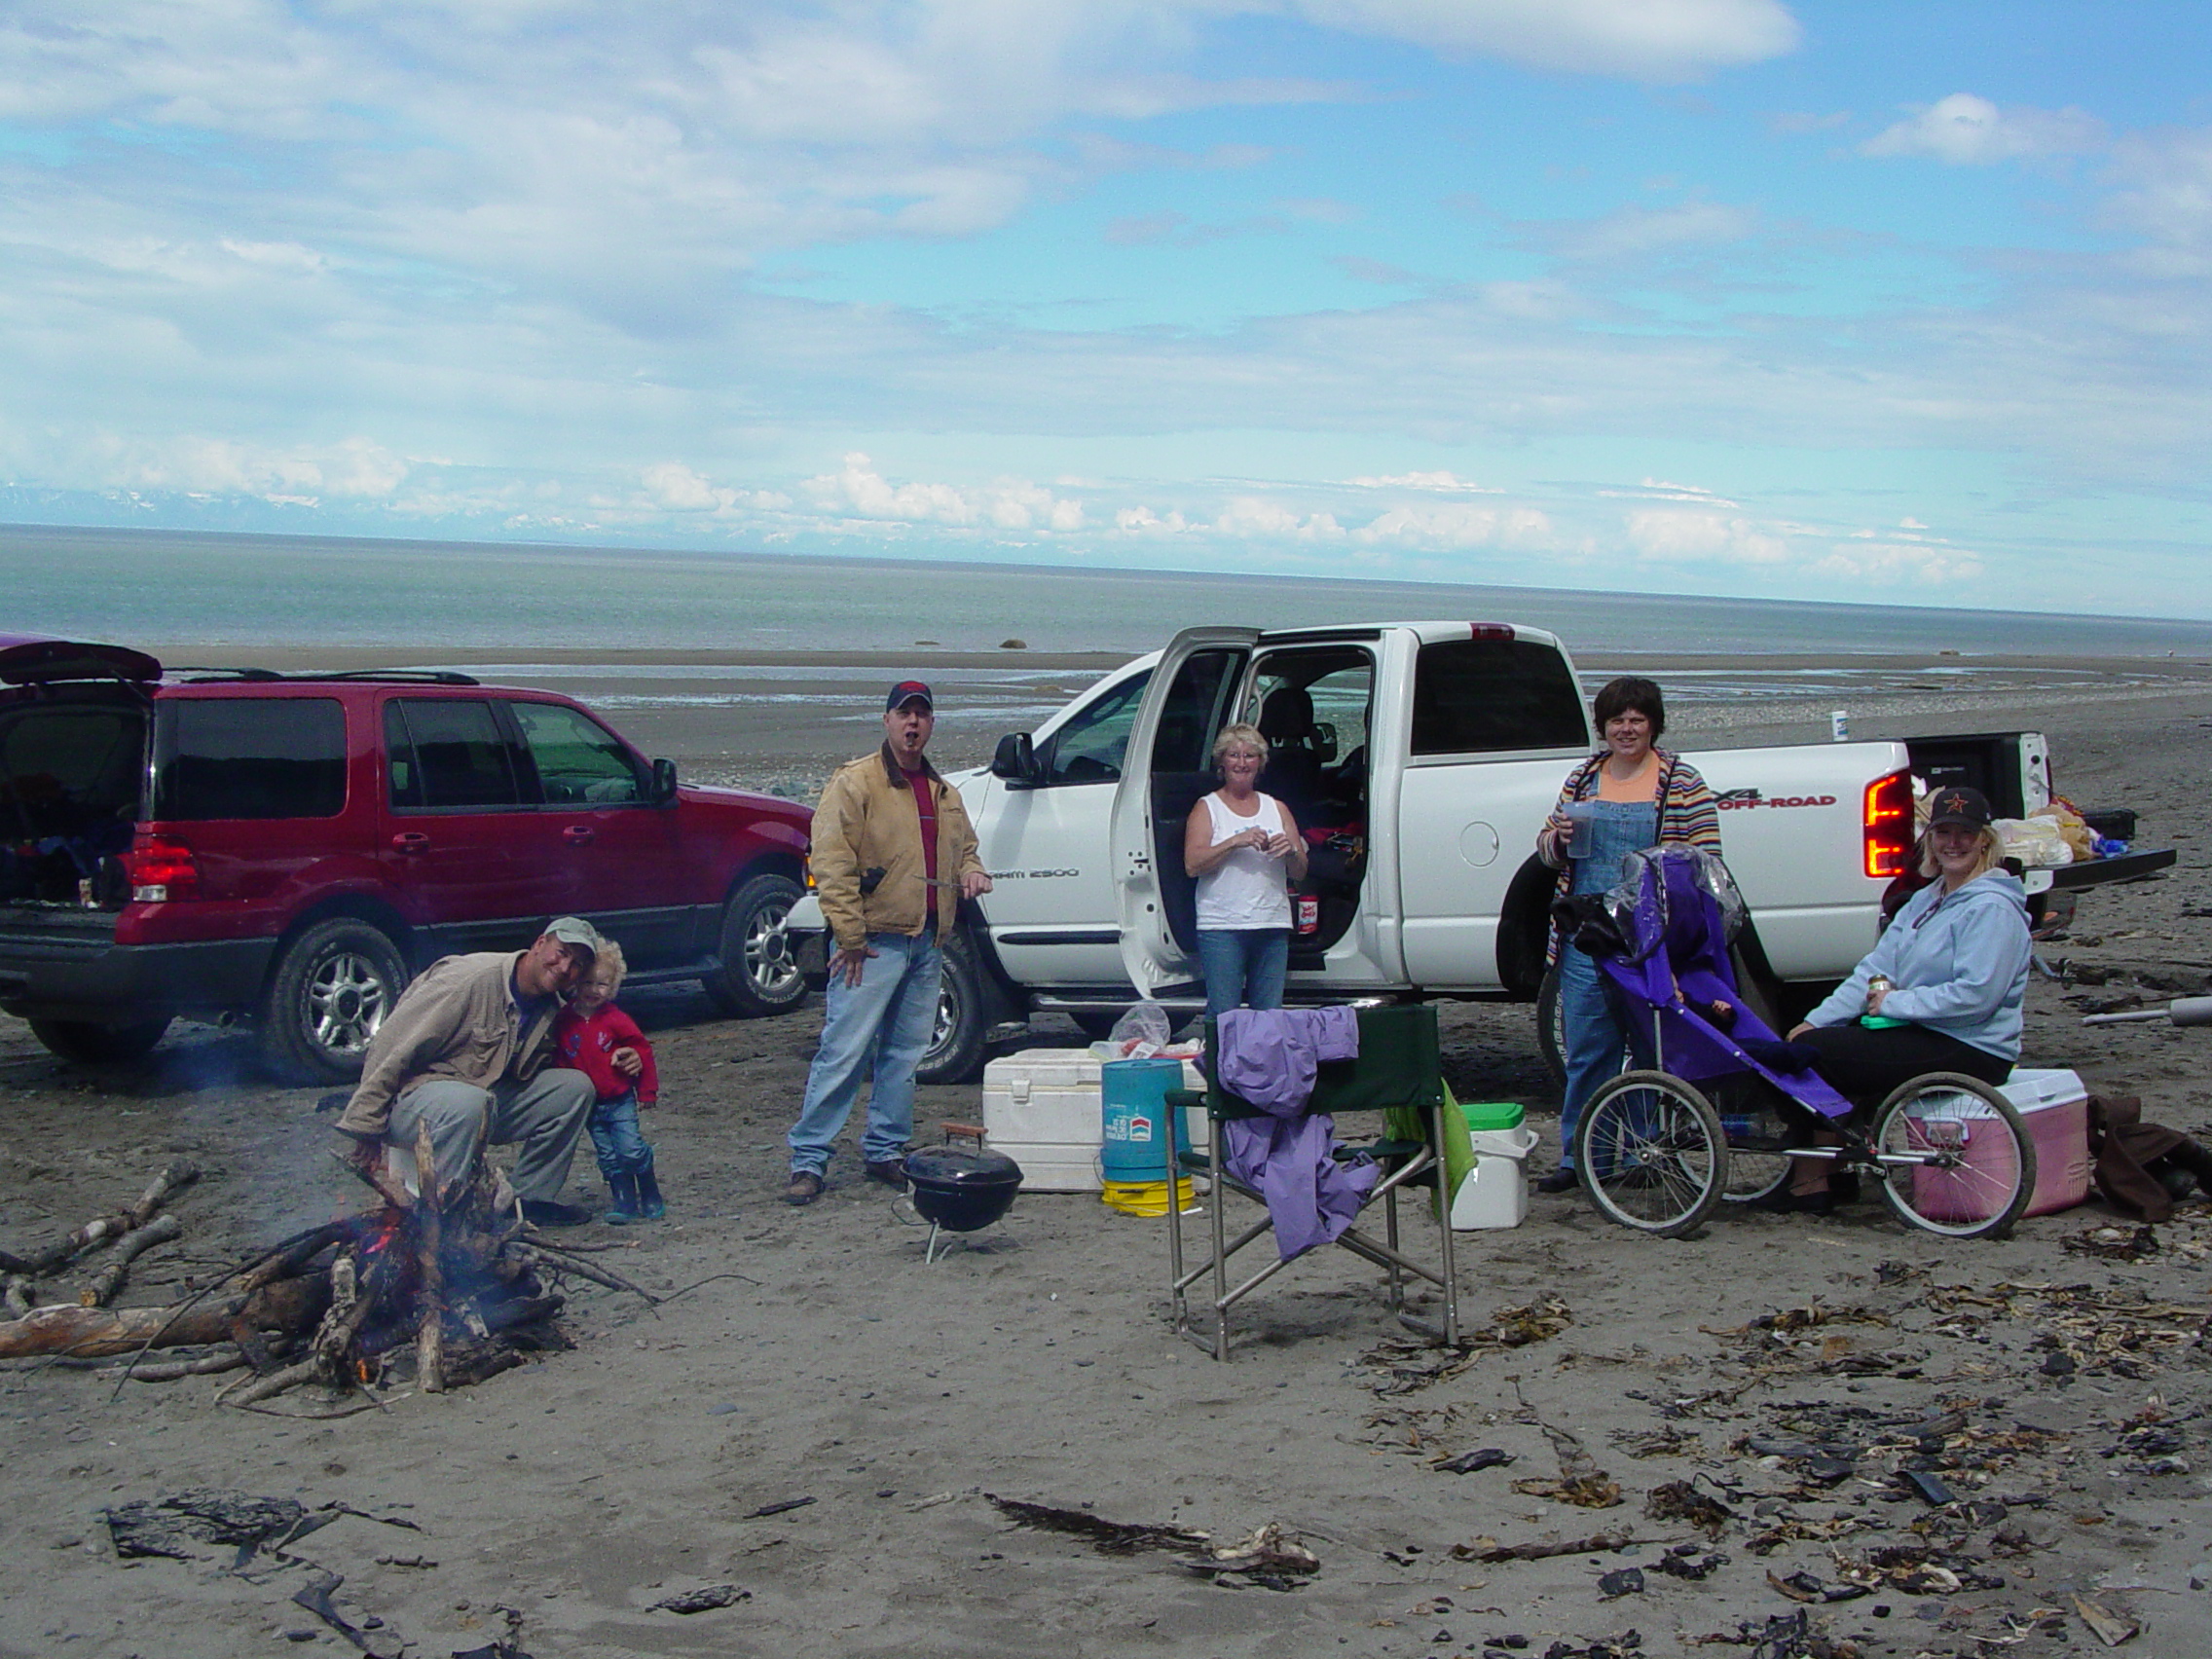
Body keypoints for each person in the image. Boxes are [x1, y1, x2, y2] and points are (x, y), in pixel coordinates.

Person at [1773, 785, 2031, 1211]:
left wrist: (1893, 1004)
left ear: (1985, 840)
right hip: (1925, 1029)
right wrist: (1818, 1020)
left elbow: (1977, 996)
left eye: (1965, 834)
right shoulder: (1926, 901)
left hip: (1974, 1045)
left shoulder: (1992, 909)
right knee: (1808, 1044)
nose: (1953, 844)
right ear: (1929, 839)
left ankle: (1810, 1180)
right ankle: (1827, 1173)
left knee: (1820, 1055)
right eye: (1943, 833)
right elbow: (1875, 970)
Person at [785, 681, 991, 1206]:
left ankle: (885, 1151)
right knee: (844, 1052)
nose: (913, 724)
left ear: (930, 725)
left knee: (904, 1056)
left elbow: (966, 850)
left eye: (922, 715)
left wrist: (972, 872)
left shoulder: (945, 793)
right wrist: (849, 937)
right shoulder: (855, 783)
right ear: (887, 721)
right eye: (905, 714)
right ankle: (809, 1160)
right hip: (871, 946)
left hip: (926, 944)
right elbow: (830, 863)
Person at [1532, 678, 1721, 1194]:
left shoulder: (1681, 781)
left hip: (1648, 940)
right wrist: (1558, 839)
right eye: (1617, 720)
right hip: (1585, 934)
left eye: (1637, 719)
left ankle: (1645, 1151)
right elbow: (1546, 847)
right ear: (1604, 727)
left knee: (1648, 1045)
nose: (1627, 728)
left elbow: (1708, 861)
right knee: (1588, 1047)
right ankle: (1583, 1159)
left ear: (1654, 724)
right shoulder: (1582, 779)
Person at [334, 917, 606, 1228]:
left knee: (574, 1089)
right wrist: (365, 1125)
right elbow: (391, 1046)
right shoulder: (467, 980)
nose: (564, 967)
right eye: (562, 952)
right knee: (471, 1102)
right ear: (540, 944)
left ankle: (524, 1204)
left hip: (478, 1099)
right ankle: (444, 1215)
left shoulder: (549, 1007)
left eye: (576, 964)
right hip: (411, 1101)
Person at [1185, 721, 1309, 1019]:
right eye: (1234, 755)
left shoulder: (1276, 807)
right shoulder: (1207, 807)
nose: (1242, 763)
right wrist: (1234, 842)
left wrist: (1290, 850)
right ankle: (1220, 1065)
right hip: (1223, 925)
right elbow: (1192, 865)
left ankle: (1264, 1067)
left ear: (1260, 763)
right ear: (1222, 762)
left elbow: (1301, 871)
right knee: (1225, 1013)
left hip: (1271, 922)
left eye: (1250, 756)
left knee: (1269, 1014)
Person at [553, 938, 662, 1224]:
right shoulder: (564, 1020)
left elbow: (642, 1051)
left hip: (619, 1098)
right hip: (590, 1104)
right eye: (587, 982)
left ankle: (649, 1188)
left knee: (630, 1150)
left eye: (601, 984)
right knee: (608, 1155)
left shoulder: (616, 1019)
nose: (592, 990)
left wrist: (647, 1092)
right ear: (576, 982)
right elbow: (559, 1059)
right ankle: (623, 1198)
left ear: (612, 986)